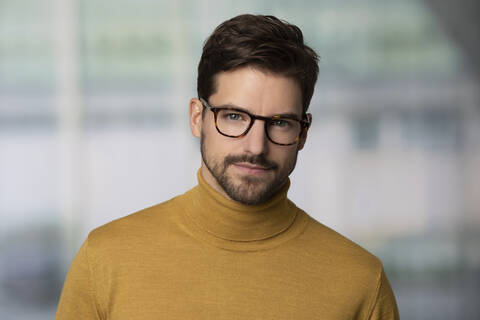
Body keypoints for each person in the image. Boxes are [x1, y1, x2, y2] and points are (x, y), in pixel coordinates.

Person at [55, 14, 400, 319]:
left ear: (303, 132)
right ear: (197, 117)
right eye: (234, 117)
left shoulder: (359, 282)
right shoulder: (105, 260)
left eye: (280, 122)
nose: (255, 146)